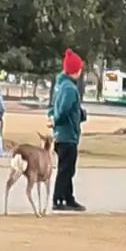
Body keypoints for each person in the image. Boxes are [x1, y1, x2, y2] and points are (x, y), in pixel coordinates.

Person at [49, 48, 86, 209]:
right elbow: (64, 110)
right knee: (65, 169)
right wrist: (57, 120)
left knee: (68, 168)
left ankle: (68, 197)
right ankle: (58, 199)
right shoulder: (69, 88)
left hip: (60, 134)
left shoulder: (59, 85)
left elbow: (53, 107)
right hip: (67, 134)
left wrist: (52, 118)